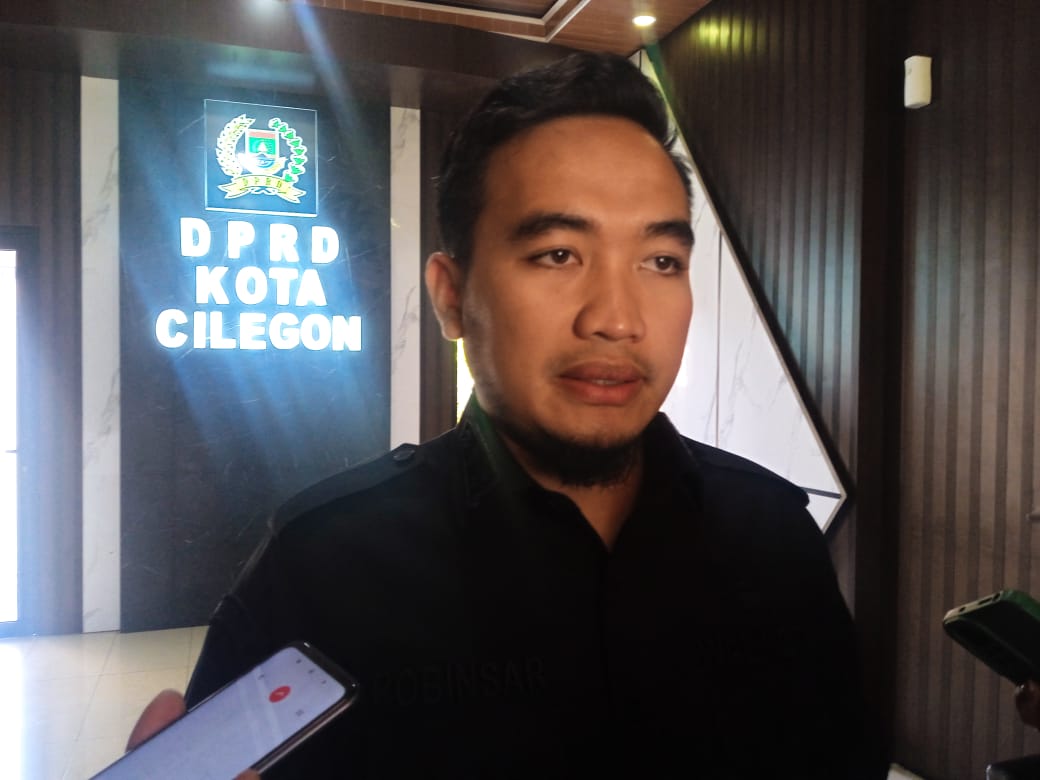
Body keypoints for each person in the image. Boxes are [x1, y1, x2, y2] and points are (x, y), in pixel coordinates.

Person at [129, 51, 886, 778]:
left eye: (661, 261)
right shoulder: (321, 567)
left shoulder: (770, 535)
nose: (617, 319)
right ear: (451, 296)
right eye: (558, 254)